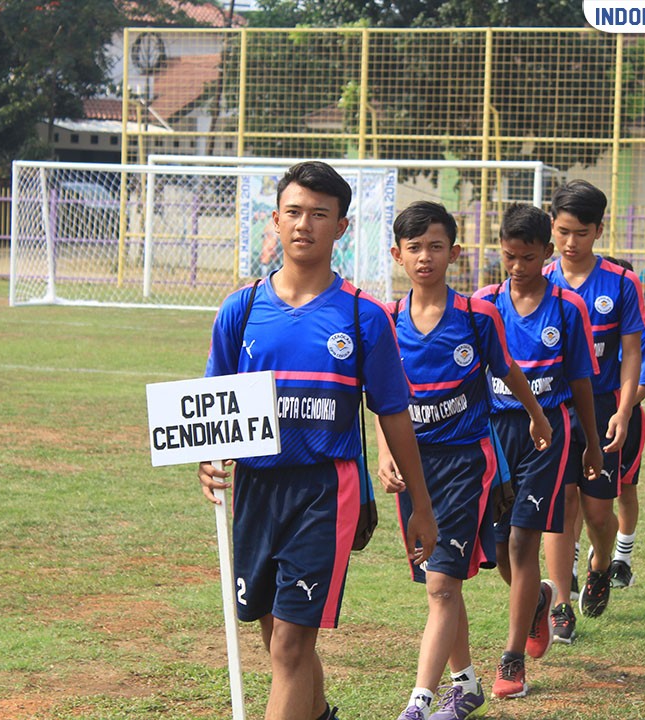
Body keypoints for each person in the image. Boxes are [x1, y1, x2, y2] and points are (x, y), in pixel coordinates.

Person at [198, 161, 438, 720]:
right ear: (276, 220)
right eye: (294, 212)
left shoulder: (363, 315)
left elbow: (395, 414)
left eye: (319, 215)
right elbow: (214, 404)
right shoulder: (242, 308)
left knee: (290, 644)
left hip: (326, 490)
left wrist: (419, 505)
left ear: (342, 227)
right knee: (271, 630)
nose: (304, 224)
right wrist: (209, 459)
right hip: (256, 488)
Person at [380, 201, 553, 720]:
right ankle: (468, 684)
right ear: (397, 255)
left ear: (454, 253)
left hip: (464, 465)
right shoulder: (385, 321)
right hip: (414, 469)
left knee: (442, 584)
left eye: (436, 246)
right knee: (440, 584)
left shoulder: (478, 316)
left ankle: (419, 702)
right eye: (414, 248)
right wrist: (386, 453)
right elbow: (384, 401)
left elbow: (509, 371)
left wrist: (538, 417)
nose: (425, 257)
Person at [473, 202, 602, 699]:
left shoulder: (568, 308)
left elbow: (582, 382)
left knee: (524, 542)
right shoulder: (483, 305)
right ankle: (537, 602)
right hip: (495, 436)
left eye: (528, 257)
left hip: (548, 434)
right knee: (502, 547)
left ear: (546, 253)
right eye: (509, 257)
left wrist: (591, 444)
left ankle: (511, 660)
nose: (518, 267)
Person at [543, 180, 643, 635]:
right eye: (563, 231)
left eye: (580, 232)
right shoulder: (540, 281)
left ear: (598, 230)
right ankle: (561, 603)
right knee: (561, 505)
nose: (570, 242)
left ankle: (601, 563)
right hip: (556, 407)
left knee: (600, 513)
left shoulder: (621, 283)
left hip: (602, 407)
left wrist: (623, 411)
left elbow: (631, 352)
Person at [602, 257, 645, 590]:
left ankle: (621, 561)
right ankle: (575, 566)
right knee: (579, 495)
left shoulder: (641, 329)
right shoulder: (581, 316)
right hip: (584, 413)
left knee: (624, 488)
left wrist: (620, 408)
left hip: (627, 418)